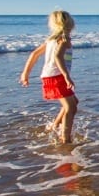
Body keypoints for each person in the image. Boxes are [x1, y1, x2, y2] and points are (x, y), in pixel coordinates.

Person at [20, 10, 79, 144]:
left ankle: (55, 125)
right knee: (71, 108)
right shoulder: (64, 39)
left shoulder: (51, 40)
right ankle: (65, 138)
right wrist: (66, 76)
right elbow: (58, 57)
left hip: (49, 76)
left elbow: (34, 54)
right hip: (57, 76)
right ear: (70, 24)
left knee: (73, 103)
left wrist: (25, 73)